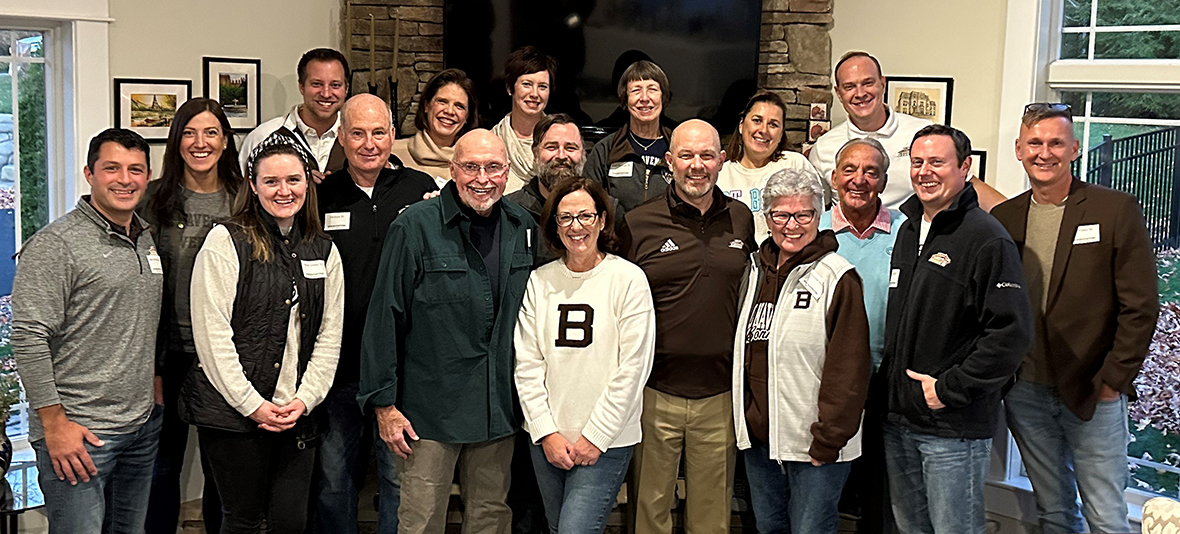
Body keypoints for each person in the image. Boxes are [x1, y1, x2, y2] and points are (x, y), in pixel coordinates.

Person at [991, 103, 1158, 534]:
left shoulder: (1113, 209)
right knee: (1055, 512)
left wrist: (1113, 381)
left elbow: (1140, 306)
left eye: (1055, 143)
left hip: (1093, 390)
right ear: (1018, 149)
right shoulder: (1004, 219)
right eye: (1035, 143)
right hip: (1025, 390)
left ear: (1074, 149)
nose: (1044, 153)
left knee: (1105, 515)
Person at [359, 129, 536, 534]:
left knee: (491, 519)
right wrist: (384, 405)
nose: (482, 178)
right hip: (428, 415)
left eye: (493, 168)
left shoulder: (522, 226)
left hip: (498, 411)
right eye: (471, 167)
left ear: (507, 173)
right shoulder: (414, 227)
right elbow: (385, 317)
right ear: (452, 170)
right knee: (421, 522)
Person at [182, 139, 343, 533]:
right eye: (271, 181)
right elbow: (212, 336)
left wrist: (305, 399)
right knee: (243, 523)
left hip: (296, 414)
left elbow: (328, 335)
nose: (283, 190)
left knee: (291, 522)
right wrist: (252, 404)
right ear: (252, 186)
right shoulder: (226, 241)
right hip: (234, 415)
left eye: (293, 179)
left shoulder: (323, 249)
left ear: (309, 183)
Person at [881, 124, 1032, 534]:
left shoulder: (987, 238)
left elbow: (1010, 334)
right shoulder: (908, 229)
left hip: (952, 428)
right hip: (900, 419)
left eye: (937, 162)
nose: (924, 171)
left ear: (965, 167)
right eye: (917, 162)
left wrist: (948, 390)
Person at [12, 128, 163, 533]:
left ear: (148, 176)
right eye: (111, 168)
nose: (125, 179)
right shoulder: (56, 245)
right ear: (89, 173)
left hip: (140, 425)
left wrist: (153, 390)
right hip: (80, 431)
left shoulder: (144, 238)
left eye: (135, 169)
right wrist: (54, 425)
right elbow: (27, 337)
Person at [619, 119, 755, 534]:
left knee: (711, 519)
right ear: (668, 161)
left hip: (720, 395)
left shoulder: (742, 219)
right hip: (653, 392)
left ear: (721, 161)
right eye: (686, 155)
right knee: (649, 514)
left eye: (706, 156)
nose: (697, 165)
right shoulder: (637, 224)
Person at [314, 94, 438, 534]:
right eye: (359, 133)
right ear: (342, 137)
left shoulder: (421, 192)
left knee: (398, 481)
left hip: (402, 368)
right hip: (338, 367)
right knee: (333, 481)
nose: (369, 143)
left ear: (392, 136)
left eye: (379, 132)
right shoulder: (318, 196)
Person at [732, 167, 871, 534]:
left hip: (815, 446)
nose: (791, 225)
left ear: (819, 215)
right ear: (767, 217)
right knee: (769, 529)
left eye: (803, 214)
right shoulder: (753, 271)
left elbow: (850, 368)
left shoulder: (838, 276)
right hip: (761, 442)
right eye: (781, 214)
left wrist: (828, 439)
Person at [514, 177, 656, 534]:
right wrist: (547, 433)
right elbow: (527, 364)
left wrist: (596, 435)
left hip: (606, 441)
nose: (576, 227)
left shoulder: (628, 280)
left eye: (585, 216)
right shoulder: (540, 281)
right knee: (556, 526)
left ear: (602, 220)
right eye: (565, 218)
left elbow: (633, 368)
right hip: (548, 440)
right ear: (554, 225)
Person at [140, 97, 239, 534]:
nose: (200, 143)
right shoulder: (151, 200)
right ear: (176, 139)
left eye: (211, 132)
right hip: (168, 355)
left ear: (225, 141)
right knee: (162, 465)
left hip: (228, 355)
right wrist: (150, 366)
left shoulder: (245, 199)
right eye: (190, 132)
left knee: (224, 469)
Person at [818, 137, 905, 534]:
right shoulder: (813, 231)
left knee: (882, 490)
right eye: (850, 170)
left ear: (884, 181)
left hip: (887, 379)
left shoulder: (908, 233)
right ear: (834, 177)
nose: (859, 179)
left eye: (871, 172)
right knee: (825, 486)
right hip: (825, 381)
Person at [810, 51, 1006, 211]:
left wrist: (1020, 221)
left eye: (868, 83)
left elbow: (969, 185)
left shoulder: (922, 135)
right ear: (838, 93)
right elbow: (817, 208)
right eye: (850, 86)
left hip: (914, 246)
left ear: (882, 83)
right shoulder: (824, 147)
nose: (860, 93)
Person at [507, 113, 624, 267]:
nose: (561, 155)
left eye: (571, 148)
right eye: (551, 147)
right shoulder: (510, 211)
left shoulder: (608, 210)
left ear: (583, 154)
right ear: (535, 152)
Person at [718, 91, 821, 242]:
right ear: (741, 125)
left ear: (781, 134)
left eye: (773, 124)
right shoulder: (720, 174)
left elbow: (816, 217)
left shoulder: (795, 165)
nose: (764, 130)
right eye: (757, 120)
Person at [239, 48, 350, 179]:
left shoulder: (358, 139)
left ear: (346, 89)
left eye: (335, 85)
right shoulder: (262, 137)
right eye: (316, 84)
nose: (326, 93)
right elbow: (246, 194)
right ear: (301, 87)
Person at [584, 60, 675, 211]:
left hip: (670, 233)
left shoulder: (679, 147)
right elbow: (588, 200)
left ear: (663, 96)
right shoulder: (605, 150)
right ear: (625, 99)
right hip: (618, 233)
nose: (644, 98)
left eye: (652, 89)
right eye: (636, 90)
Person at [392, 68, 481, 186]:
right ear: (426, 105)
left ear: (467, 117)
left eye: (459, 106)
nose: (450, 111)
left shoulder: (478, 164)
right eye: (442, 101)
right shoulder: (392, 153)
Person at [491, 46, 557, 194]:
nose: (534, 94)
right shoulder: (491, 141)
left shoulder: (562, 143)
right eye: (527, 84)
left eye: (542, 87)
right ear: (509, 87)